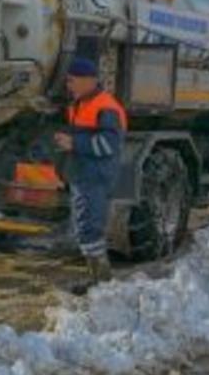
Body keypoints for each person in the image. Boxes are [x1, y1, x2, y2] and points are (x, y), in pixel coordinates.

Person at [54, 58, 127, 287]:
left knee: (90, 228)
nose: (68, 85)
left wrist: (73, 144)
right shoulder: (81, 103)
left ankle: (101, 283)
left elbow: (108, 145)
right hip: (83, 175)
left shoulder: (106, 107)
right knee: (85, 225)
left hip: (95, 177)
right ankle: (97, 280)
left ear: (89, 81)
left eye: (72, 80)